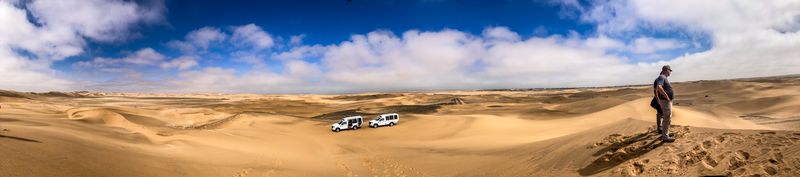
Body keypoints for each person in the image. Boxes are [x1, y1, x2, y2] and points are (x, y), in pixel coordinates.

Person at [653, 65, 675, 142]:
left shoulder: (663, 77)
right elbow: (658, 87)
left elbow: (657, 89)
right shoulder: (662, 77)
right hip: (665, 101)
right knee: (667, 118)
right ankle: (665, 137)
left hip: (666, 101)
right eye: (670, 70)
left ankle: (666, 133)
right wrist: (666, 96)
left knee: (667, 118)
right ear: (666, 70)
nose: (670, 72)